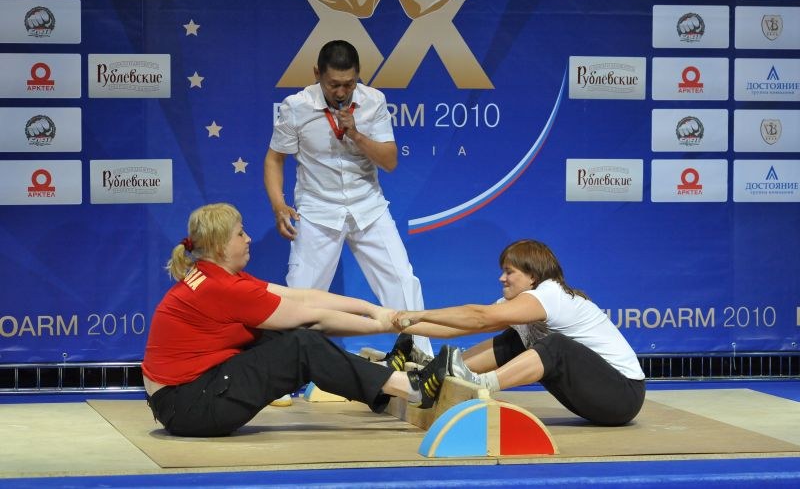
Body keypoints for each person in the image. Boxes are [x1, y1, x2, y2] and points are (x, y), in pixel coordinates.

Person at [141, 203, 452, 437]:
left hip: (183, 399)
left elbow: (302, 297)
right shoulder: (222, 287)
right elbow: (314, 318)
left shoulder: (216, 275)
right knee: (300, 343)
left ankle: (384, 378)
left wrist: (371, 308)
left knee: (274, 336)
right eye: (241, 233)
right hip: (188, 407)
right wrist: (387, 322)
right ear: (222, 245)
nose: (248, 239)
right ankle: (411, 387)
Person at [264, 39, 432, 362]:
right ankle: (280, 372)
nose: (341, 92)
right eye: (333, 84)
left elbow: (390, 160)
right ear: (317, 74)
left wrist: (356, 134)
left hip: (368, 208)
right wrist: (278, 204)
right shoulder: (296, 107)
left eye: (349, 83)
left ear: (358, 76)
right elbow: (274, 159)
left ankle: (420, 362)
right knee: (299, 296)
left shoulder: (374, 102)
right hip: (317, 211)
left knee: (403, 282)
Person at [392, 239, 646, 426]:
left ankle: (482, 384)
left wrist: (419, 314)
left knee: (553, 345)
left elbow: (479, 318)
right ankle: (442, 371)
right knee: (516, 339)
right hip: (595, 396)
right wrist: (395, 322)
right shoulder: (522, 305)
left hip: (623, 396)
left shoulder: (550, 294)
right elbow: (460, 326)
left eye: (509, 272)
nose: (502, 278)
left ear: (532, 276)